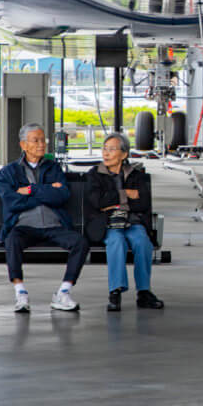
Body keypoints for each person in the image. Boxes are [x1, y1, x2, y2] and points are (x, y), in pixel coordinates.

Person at [0, 123, 89, 313]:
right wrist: (46, 192)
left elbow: (62, 195)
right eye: (35, 140)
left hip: (54, 226)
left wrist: (30, 191)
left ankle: (64, 292)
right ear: (23, 145)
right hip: (25, 227)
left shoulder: (53, 168)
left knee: (80, 242)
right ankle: (20, 293)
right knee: (12, 240)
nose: (41, 145)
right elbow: (12, 202)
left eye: (43, 140)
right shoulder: (7, 173)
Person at [85, 132, 164, 312]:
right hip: (108, 223)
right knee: (116, 241)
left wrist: (112, 202)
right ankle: (115, 290)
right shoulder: (95, 174)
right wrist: (126, 195)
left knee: (142, 242)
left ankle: (144, 292)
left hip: (132, 221)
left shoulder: (136, 175)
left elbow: (143, 202)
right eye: (104, 149)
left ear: (124, 154)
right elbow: (97, 202)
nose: (106, 153)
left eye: (111, 149)